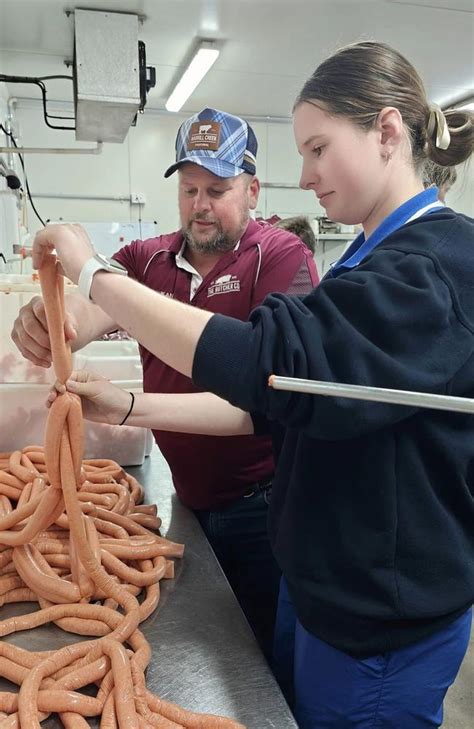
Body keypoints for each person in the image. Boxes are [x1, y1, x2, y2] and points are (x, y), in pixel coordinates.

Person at [27, 40, 473, 728]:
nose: (308, 171)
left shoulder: (440, 266)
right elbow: (283, 405)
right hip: (320, 587)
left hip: (379, 619)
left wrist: (93, 275)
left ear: (386, 132)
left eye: (319, 147)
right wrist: (126, 402)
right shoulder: (366, 256)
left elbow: (274, 362)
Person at [11, 106, 319, 661]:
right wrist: (51, 319)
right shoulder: (148, 259)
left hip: (266, 507)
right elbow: (88, 313)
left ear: (251, 189)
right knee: (210, 641)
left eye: (217, 189)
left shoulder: (280, 259)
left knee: (265, 653)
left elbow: (265, 402)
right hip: (190, 498)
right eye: (189, 188)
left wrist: (129, 406)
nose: (200, 205)